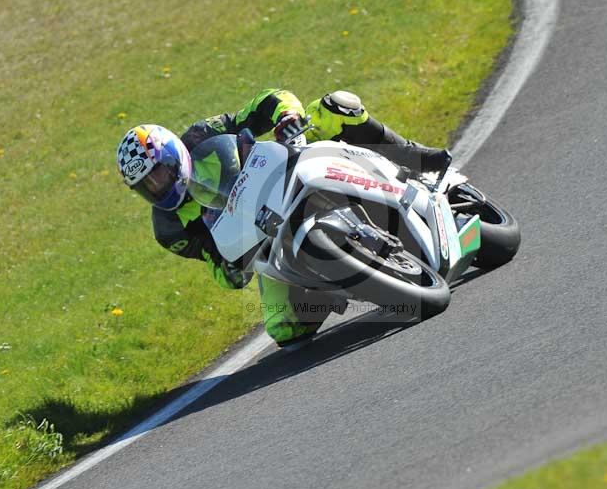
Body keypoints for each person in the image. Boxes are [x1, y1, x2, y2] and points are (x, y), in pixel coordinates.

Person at [116, 89, 450, 347]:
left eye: (158, 173)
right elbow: (216, 265)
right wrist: (229, 269)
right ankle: (338, 279)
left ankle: (410, 154)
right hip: (264, 233)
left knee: (335, 106)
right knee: (284, 328)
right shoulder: (169, 227)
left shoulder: (202, 135)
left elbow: (266, 101)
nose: (156, 186)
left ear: (173, 155)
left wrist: (287, 114)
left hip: (284, 170)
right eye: (146, 186)